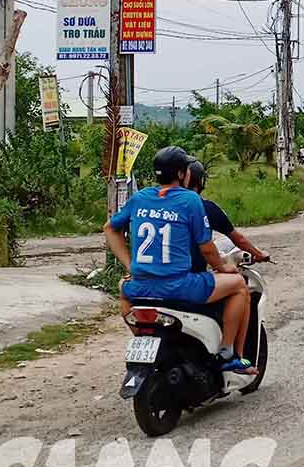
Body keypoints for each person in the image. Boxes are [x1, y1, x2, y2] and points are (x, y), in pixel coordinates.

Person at [104, 146, 257, 375]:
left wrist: (130, 265)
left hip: (140, 285)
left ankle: (145, 341)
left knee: (123, 292)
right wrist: (224, 267)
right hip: (179, 285)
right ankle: (228, 352)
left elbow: (110, 229)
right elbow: (207, 248)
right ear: (181, 174)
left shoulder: (140, 198)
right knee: (239, 287)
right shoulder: (190, 200)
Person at [186, 159, 269, 263]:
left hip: (165, 268)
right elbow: (239, 239)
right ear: (201, 181)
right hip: (193, 272)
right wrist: (259, 254)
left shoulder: (163, 205)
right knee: (236, 276)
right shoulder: (207, 207)